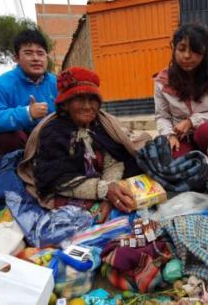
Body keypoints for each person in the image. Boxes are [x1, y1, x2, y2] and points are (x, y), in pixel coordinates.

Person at [18, 67, 148, 221]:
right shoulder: (53, 133)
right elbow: (59, 181)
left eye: (92, 99)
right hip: (69, 191)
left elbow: (113, 162)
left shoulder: (101, 125)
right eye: (79, 99)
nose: (87, 106)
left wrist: (109, 192)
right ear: (65, 104)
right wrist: (105, 190)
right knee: (83, 219)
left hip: (104, 187)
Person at [154, 23, 208, 159]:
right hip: (183, 137)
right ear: (174, 49)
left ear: (205, 52)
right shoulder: (162, 81)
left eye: (195, 50)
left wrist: (192, 121)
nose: (187, 56)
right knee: (174, 156)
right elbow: (162, 117)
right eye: (181, 49)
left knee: (204, 132)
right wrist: (170, 135)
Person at [0, 29, 57, 156]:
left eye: (40, 53)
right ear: (16, 58)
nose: (36, 58)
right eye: (28, 53)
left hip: (52, 139)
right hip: (23, 143)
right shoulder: (2, 84)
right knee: (5, 136)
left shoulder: (57, 83)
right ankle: (17, 169)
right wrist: (27, 113)